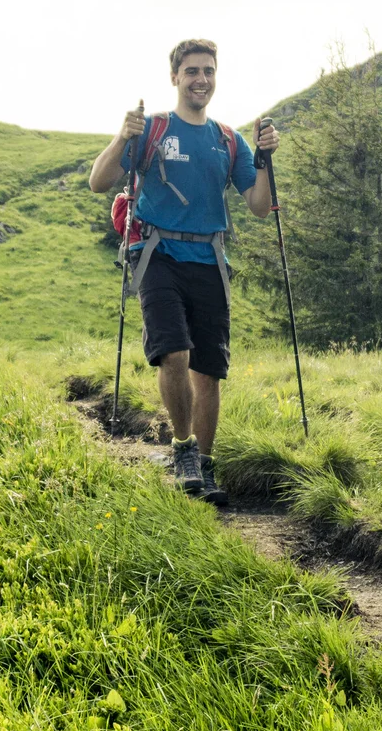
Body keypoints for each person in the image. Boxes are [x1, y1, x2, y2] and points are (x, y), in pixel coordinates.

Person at [88, 38, 277, 506]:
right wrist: (121, 136)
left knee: (208, 370)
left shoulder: (229, 140)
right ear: (175, 77)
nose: (201, 79)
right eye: (192, 71)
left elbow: (258, 208)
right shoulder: (152, 128)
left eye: (208, 71)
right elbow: (98, 181)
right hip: (158, 256)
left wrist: (266, 159)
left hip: (210, 260)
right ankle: (183, 449)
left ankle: (205, 466)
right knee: (173, 353)